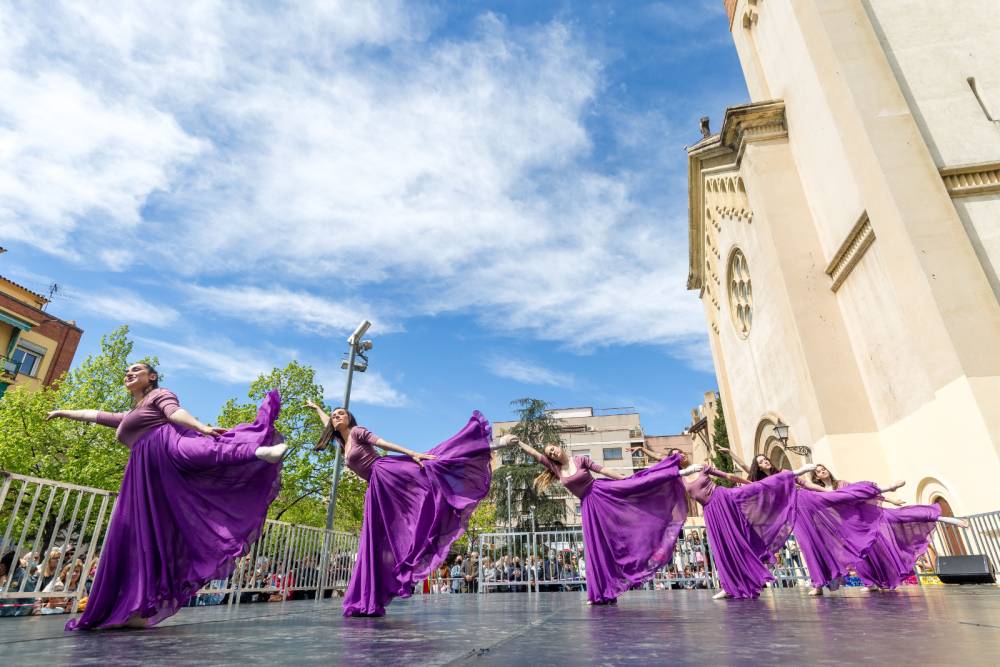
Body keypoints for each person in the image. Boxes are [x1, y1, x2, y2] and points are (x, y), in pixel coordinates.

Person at [47, 362, 285, 630]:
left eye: (136, 369)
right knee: (137, 537)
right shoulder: (130, 413)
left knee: (202, 449)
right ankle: (135, 609)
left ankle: (256, 452)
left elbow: (175, 413)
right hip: (144, 474)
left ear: (152, 376)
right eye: (126, 370)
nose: (129, 373)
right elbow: (95, 415)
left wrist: (201, 426)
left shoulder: (159, 395)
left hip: (165, 444)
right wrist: (62, 411)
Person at [305, 403, 493, 616]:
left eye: (342, 413)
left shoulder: (357, 433)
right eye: (334, 415)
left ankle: (476, 449)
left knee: (430, 470)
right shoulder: (343, 443)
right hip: (375, 489)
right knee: (376, 541)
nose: (337, 416)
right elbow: (327, 421)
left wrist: (412, 453)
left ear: (349, 418)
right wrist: (317, 408)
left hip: (385, 473)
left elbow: (383, 442)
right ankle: (370, 597)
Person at [504, 435, 695, 605]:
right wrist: (519, 442)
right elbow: (535, 454)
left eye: (552, 448)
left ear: (558, 446)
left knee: (625, 517)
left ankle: (675, 472)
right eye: (549, 453)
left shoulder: (580, 460)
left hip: (601, 494)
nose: (551, 452)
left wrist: (625, 480)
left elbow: (603, 470)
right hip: (588, 506)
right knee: (596, 549)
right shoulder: (555, 467)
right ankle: (602, 593)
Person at [642, 446, 816, 600]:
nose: (680, 455)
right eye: (675, 455)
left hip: (723, 499)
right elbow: (659, 467)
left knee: (738, 539)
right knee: (720, 548)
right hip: (709, 510)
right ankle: (728, 586)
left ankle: (795, 473)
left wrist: (751, 484)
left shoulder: (702, 467)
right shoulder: (678, 479)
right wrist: (644, 451)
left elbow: (728, 476)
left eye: (680, 452)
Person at [791, 463, 906, 596]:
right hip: (841, 525)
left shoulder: (842, 484)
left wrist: (891, 501)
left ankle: (883, 579)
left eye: (824, 469)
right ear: (816, 476)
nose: (823, 471)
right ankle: (869, 583)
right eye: (819, 471)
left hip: (855, 520)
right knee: (856, 555)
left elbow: (858, 494)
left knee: (871, 551)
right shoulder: (818, 491)